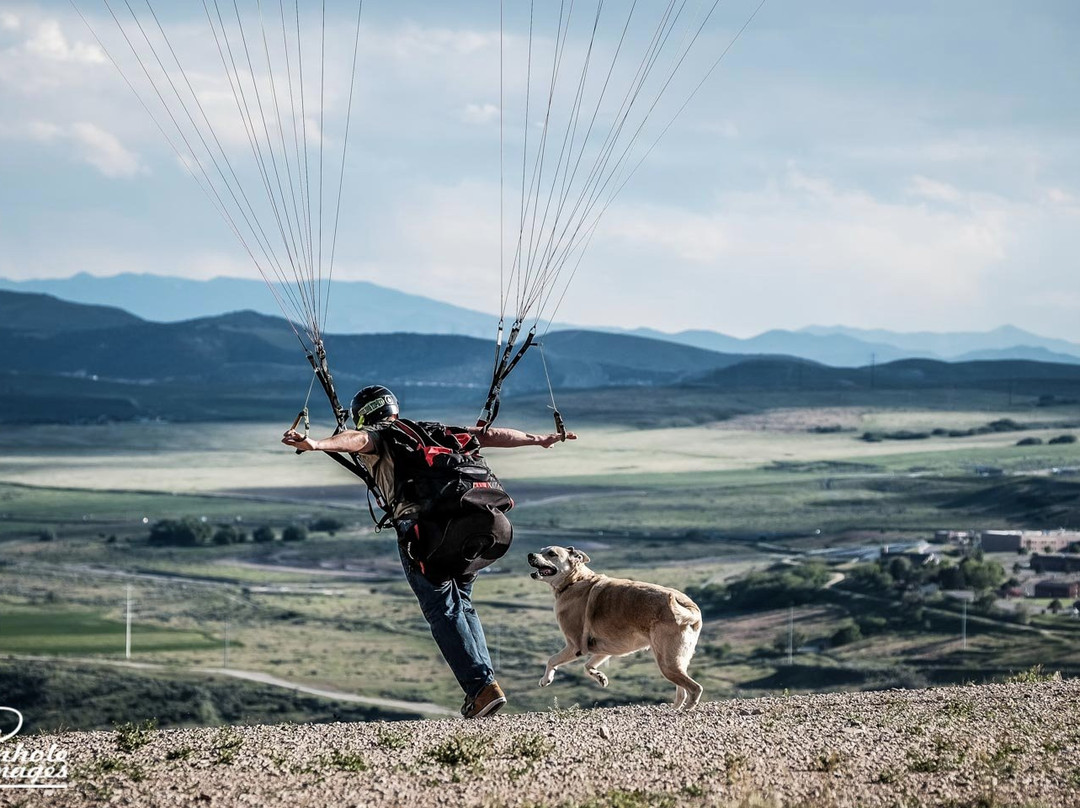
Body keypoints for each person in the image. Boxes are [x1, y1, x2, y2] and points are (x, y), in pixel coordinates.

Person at [282, 385, 576, 718]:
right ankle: (485, 685)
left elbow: (359, 440)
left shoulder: (382, 436)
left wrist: (317, 444)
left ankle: (481, 688)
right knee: (461, 603)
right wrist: (539, 439)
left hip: (429, 534)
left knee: (442, 608)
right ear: (393, 408)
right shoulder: (435, 431)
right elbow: (490, 434)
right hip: (488, 525)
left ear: (364, 415)